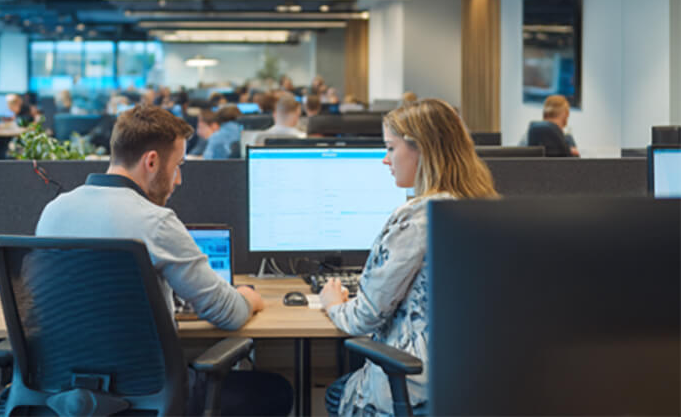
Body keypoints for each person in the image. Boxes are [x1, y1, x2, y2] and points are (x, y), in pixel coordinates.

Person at [35, 105, 292, 416]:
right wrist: (249, 299)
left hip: (67, 396)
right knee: (274, 391)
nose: (179, 179)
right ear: (152, 161)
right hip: (147, 399)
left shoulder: (53, 211)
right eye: (178, 165)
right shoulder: (155, 222)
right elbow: (228, 313)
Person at [321, 99, 498, 416]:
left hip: (417, 387)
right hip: (474, 383)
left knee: (335, 392)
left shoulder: (417, 218)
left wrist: (333, 302)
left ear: (422, 150)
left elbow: (364, 317)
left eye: (391, 148)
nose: (385, 159)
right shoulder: (482, 205)